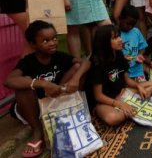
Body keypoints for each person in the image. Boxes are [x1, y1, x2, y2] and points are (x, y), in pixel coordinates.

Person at [4, 21, 90, 157]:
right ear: (33, 44)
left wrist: (75, 78)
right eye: (46, 40)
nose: (52, 43)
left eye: (54, 38)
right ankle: (37, 131)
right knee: (23, 84)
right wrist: (42, 84)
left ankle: (70, 111)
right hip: (33, 109)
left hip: (53, 103)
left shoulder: (59, 56)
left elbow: (86, 62)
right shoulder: (28, 61)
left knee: (77, 68)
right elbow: (9, 80)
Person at [90, 25, 152, 126]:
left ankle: (130, 108)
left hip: (122, 93)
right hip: (105, 101)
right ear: (104, 42)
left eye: (119, 36)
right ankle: (132, 108)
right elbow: (98, 96)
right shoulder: (97, 63)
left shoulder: (119, 54)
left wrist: (138, 86)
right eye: (115, 38)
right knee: (112, 118)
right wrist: (119, 104)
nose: (120, 40)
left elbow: (126, 79)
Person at [119, 6, 152, 84]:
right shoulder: (116, 33)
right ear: (120, 18)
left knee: (147, 87)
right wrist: (122, 58)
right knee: (126, 90)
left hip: (137, 70)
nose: (130, 27)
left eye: (133, 24)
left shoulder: (136, 31)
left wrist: (139, 55)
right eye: (128, 23)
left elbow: (142, 47)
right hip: (122, 71)